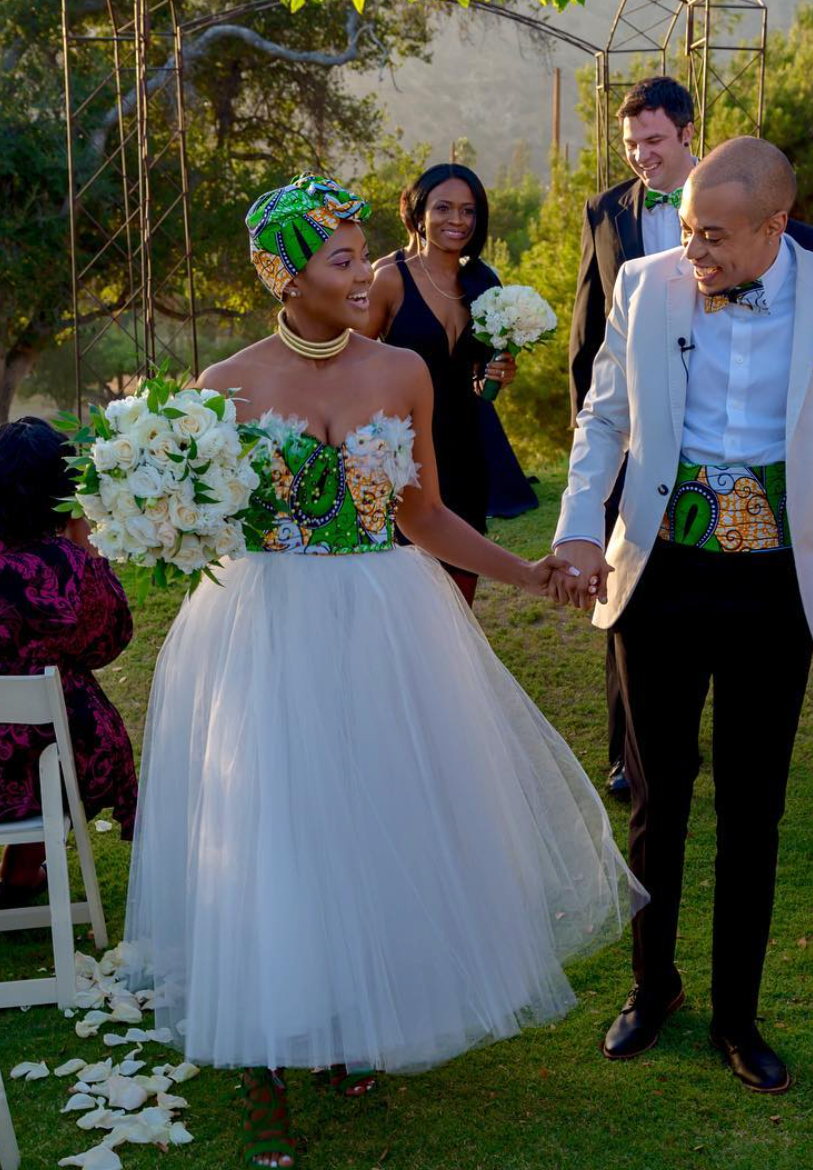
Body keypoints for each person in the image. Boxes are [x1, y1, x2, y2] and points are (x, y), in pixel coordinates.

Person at [122, 174, 644, 1170]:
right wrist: (155, 510)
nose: (365, 274)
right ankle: (262, 1059)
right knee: (271, 826)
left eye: (362, 254)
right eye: (342, 259)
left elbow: (423, 515)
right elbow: (199, 522)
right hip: (262, 625)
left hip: (380, 616)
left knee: (363, 819)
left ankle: (342, 1020)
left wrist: (527, 575)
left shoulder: (402, 371)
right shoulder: (223, 386)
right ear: (281, 273)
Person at [551, 138, 813, 1093]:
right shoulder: (644, 282)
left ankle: (739, 1018)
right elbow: (605, 419)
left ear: (774, 226)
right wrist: (580, 532)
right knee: (656, 795)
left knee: (755, 808)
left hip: (777, 589)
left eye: (712, 235)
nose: (692, 250)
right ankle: (652, 986)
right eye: (685, 228)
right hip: (659, 572)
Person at [570, 75, 813, 802]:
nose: (640, 154)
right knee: (655, 772)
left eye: (652, 139)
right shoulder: (616, 230)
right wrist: (586, 506)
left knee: (754, 795)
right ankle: (633, 754)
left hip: (775, 557)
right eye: (630, 143)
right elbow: (594, 360)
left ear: (688, 133)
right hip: (651, 493)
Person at [0, 418, 136, 911]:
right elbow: (109, 642)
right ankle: (20, 874)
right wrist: (82, 540)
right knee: (48, 733)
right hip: (39, 765)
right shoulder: (63, 564)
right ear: (59, 494)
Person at [365, 163, 526, 604]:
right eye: (445, 208)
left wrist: (496, 374)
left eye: (469, 211)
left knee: (459, 587)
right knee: (405, 584)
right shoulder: (390, 279)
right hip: (404, 449)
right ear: (418, 213)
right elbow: (353, 360)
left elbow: (480, 372)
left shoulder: (483, 281)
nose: (458, 220)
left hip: (467, 446)